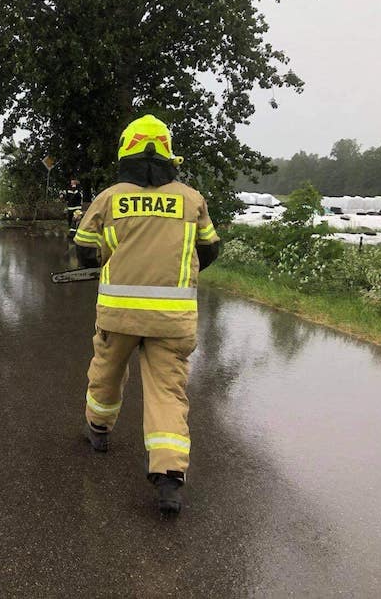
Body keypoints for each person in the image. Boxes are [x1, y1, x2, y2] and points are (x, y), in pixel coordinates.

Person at [72, 114, 220, 517]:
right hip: (173, 319)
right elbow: (209, 250)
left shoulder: (110, 199)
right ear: (169, 155)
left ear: (126, 152)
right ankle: (169, 476)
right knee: (168, 391)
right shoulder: (191, 199)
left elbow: (84, 249)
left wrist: (108, 261)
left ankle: (98, 431)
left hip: (118, 315)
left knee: (106, 372)